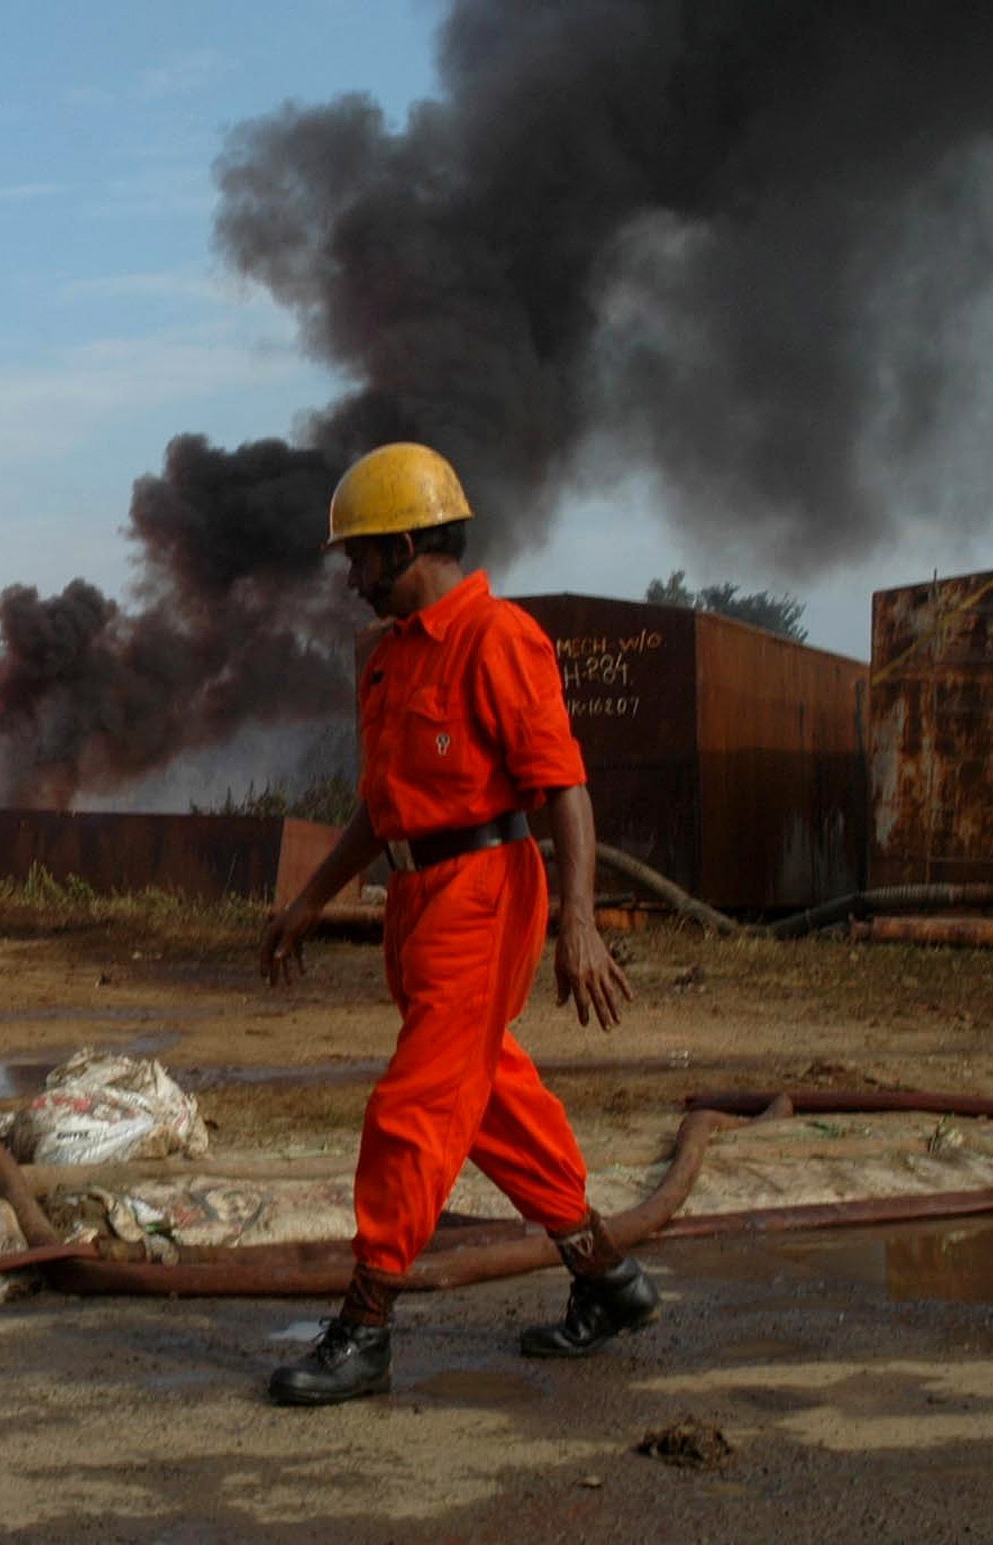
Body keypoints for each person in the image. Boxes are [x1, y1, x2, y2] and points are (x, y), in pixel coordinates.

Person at [259, 442, 643, 1408]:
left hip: (483, 895)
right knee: (489, 1095)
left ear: (410, 544)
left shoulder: (498, 639)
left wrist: (578, 922)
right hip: (415, 900)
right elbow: (377, 808)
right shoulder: (389, 659)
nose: (349, 578)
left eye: (360, 557)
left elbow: (564, 788)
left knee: (415, 1106)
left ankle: (366, 1327)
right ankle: (608, 1279)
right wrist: (312, 901)